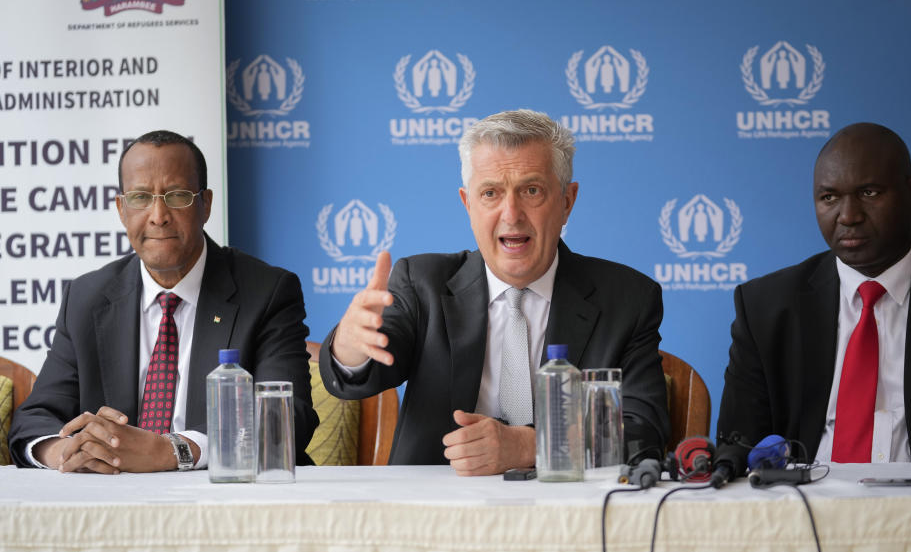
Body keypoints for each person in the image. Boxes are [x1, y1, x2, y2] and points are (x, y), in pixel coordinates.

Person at [317, 109, 669, 475]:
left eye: (531, 190)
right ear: (468, 204)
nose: (511, 213)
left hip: (570, 514)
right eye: (490, 193)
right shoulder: (421, 283)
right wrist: (350, 347)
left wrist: (532, 445)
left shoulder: (627, 300)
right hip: (435, 514)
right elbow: (357, 380)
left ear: (567, 201)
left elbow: (643, 432)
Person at [8, 130, 318, 472]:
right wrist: (68, 452)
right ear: (121, 209)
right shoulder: (86, 298)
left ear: (206, 204)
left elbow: (287, 418)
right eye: (141, 197)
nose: (158, 215)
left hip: (230, 504)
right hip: (113, 506)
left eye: (177, 196)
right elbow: (34, 419)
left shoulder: (267, 291)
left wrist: (172, 451)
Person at [717, 122, 911, 467]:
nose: (848, 216)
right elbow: (738, 445)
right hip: (804, 508)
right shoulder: (765, 307)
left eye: (870, 193)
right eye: (829, 197)